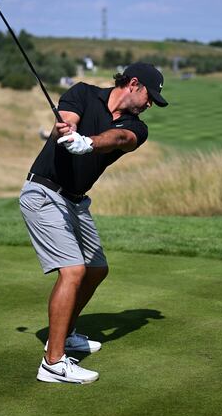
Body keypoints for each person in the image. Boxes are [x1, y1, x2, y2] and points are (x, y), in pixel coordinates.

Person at [19, 62, 168, 385]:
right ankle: (53, 362)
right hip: (44, 191)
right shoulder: (83, 93)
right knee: (73, 271)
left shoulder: (137, 126)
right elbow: (68, 119)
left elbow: (120, 138)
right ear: (133, 84)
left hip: (76, 201)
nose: (149, 105)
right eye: (149, 97)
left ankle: (66, 331)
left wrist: (87, 142)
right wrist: (68, 131)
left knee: (97, 268)